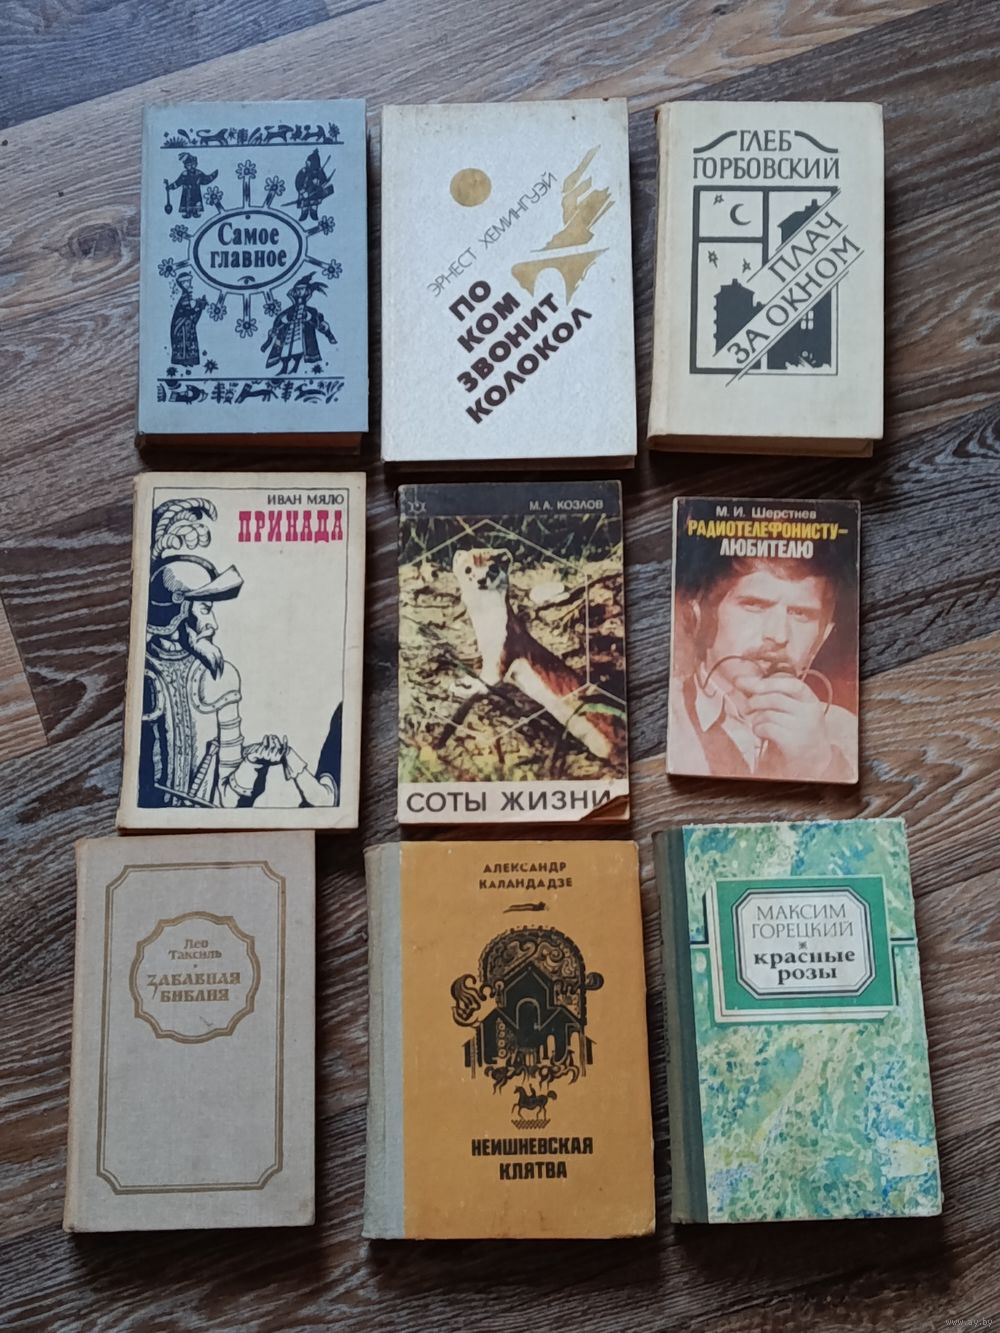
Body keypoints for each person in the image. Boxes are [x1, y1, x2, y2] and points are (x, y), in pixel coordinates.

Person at [139, 499, 339, 808]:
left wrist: (253, 762)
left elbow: (225, 800)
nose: (212, 624)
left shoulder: (222, 679)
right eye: (205, 609)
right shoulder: (142, 674)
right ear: (177, 611)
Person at [668, 554, 857, 782]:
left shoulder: (844, 731)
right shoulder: (669, 716)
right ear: (703, 618)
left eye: (800, 614)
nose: (779, 635)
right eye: (755, 605)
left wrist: (819, 765)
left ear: (820, 639)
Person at [260, 274, 336, 375]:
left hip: (302, 334)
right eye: (298, 289)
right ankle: (284, 368)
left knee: (298, 349)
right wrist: (270, 338)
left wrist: (329, 335)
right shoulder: (288, 311)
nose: (300, 292)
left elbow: (319, 323)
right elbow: (278, 322)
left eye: (302, 289)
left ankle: (295, 367)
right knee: (285, 350)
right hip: (288, 334)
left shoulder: (311, 311)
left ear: (307, 291)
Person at [169, 267, 207, 369]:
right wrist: (197, 308)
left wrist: (198, 308)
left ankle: (188, 360)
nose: (188, 284)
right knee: (184, 341)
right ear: (181, 284)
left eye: (188, 282)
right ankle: (183, 360)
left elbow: (189, 311)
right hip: (181, 324)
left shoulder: (186, 294)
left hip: (185, 324)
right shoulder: (184, 295)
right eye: (185, 282)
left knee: (188, 341)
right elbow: (186, 311)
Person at [167, 153, 218, 219]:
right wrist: (170, 187)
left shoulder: (199, 173)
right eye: (189, 165)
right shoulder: (184, 174)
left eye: (193, 164)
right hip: (187, 193)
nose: (191, 167)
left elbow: (205, 179)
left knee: (196, 202)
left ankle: (195, 212)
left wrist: (213, 176)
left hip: (196, 192)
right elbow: (178, 182)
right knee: (187, 203)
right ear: (185, 166)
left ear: (196, 164)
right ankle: (187, 213)